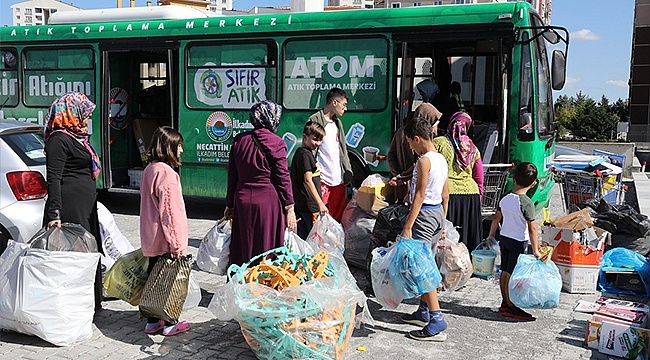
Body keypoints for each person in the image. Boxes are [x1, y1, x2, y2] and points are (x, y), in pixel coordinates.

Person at [43, 91, 103, 312]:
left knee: (88, 250)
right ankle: (75, 306)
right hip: (69, 208)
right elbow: (54, 178)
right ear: (71, 113)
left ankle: (91, 302)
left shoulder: (77, 138)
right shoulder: (58, 140)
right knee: (75, 255)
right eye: (84, 114)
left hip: (84, 206)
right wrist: (55, 214)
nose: (87, 119)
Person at [225, 101, 296, 265]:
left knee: (244, 245)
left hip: (242, 200)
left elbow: (232, 175)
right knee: (265, 246)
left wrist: (230, 204)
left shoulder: (239, 141)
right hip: (267, 204)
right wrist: (289, 207)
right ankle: (262, 283)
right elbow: (282, 177)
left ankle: (242, 281)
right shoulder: (276, 142)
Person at [399, 117, 450, 341]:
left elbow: (419, 195)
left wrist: (408, 226)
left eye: (410, 142)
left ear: (417, 139)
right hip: (437, 213)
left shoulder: (424, 161)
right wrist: (444, 222)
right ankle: (423, 310)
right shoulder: (441, 158)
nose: (410, 147)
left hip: (425, 215)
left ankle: (437, 319)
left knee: (422, 268)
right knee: (428, 261)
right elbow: (446, 193)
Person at [139, 126, 191, 336]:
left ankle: (152, 322)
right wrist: (177, 244)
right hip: (164, 239)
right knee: (170, 284)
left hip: (151, 237)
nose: (181, 151)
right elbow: (170, 212)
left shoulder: (150, 169)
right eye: (178, 146)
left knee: (154, 281)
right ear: (169, 147)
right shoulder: (166, 173)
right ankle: (170, 323)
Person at [487, 162, 542, 321]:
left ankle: (505, 301)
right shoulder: (527, 203)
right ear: (533, 184)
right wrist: (536, 250)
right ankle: (511, 305)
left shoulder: (505, 197)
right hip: (518, 241)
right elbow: (532, 228)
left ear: (514, 178)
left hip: (504, 238)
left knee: (504, 271)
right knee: (512, 274)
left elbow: (496, 218)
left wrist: (491, 235)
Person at [433, 111, 484, 251]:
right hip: (470, 196)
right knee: (468, 236)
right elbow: (479, 177)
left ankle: (447, 265)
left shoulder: (439, 143)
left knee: (448, 235)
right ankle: (466, 264)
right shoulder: (473, 148)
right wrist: (478, 197)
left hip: (448, 195)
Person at [308, 88, 353, 222]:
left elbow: (343, 149)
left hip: (338, 179)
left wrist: (348, 169)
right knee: (319, 216)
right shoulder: (315, 120)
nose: (345, 108)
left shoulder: (337, 123)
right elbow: (310, 149)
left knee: (337, 217)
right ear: (334, 102)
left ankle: (335, 242)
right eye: (343, 105)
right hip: (323, 179)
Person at [387, 103, 443, 203]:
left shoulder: (400, 133)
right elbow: (418, 164)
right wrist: (401, 177)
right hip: (414, 188)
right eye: (435, 124)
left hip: (400, 188)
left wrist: (397, 175)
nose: (436, 128)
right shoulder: (425, 141)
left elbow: (391, 156)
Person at [290, 121, 328, 239]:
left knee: (303, 236)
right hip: (309, 206)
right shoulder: (306, 155)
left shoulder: (300, 153)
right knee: (312, 238)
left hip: (302, 204)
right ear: (305, 137)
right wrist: (320, 203)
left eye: (320, 140)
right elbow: (308, 180)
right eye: (315, 139)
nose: (318, 143)